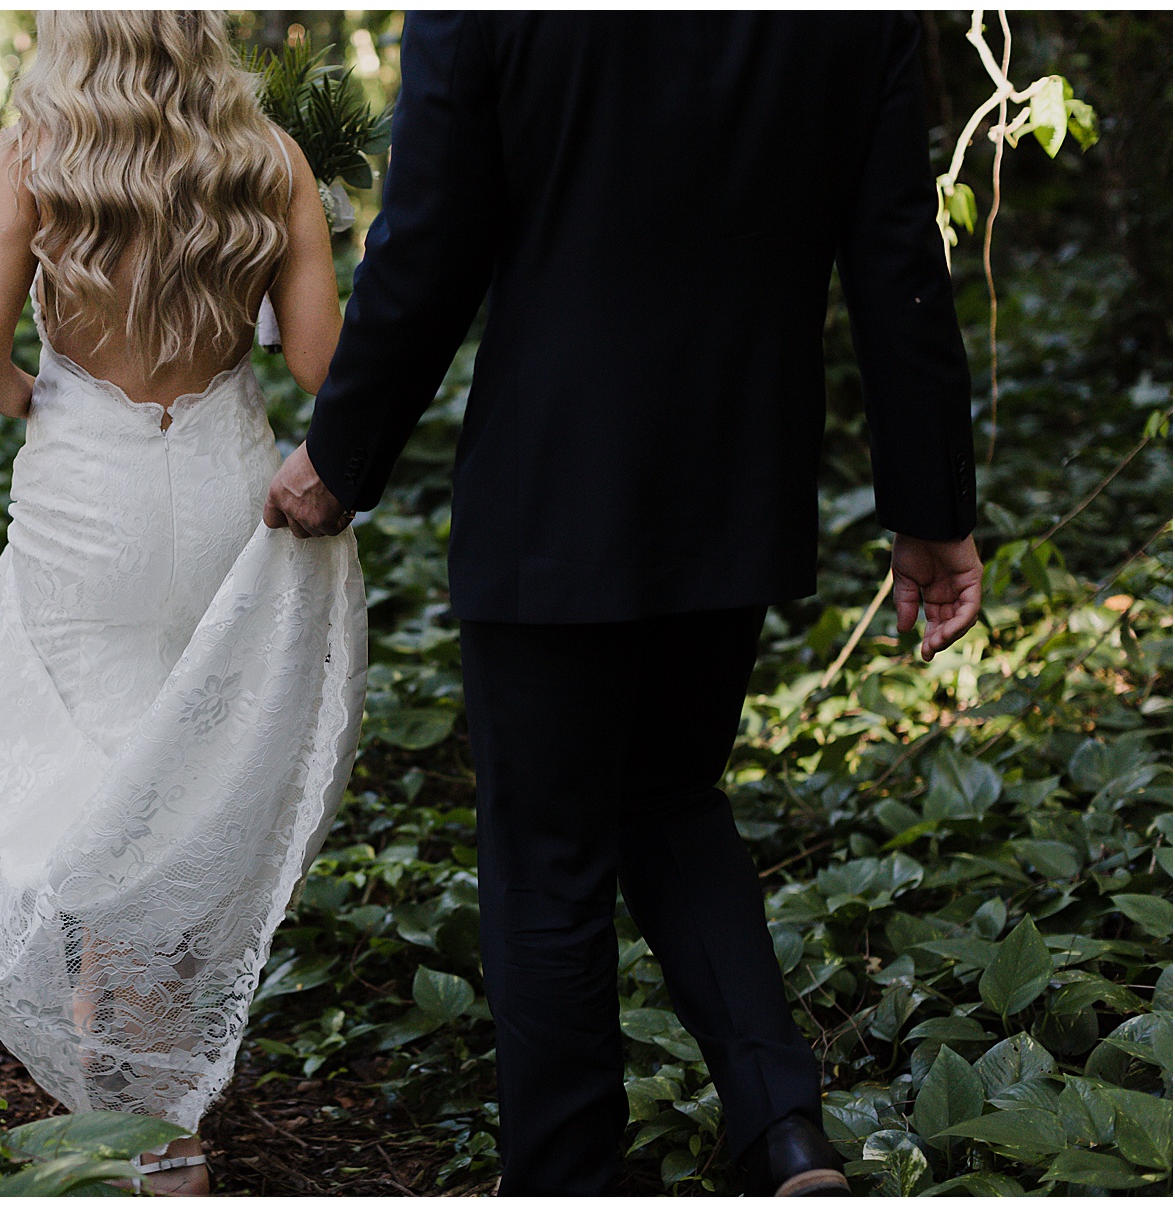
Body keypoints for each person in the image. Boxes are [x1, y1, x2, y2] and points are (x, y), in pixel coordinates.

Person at [265, 12, 983, 1197]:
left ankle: (567, 1177)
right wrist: (932, 505)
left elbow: (431, 237)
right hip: (736, 476)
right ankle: (784, 1132)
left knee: (548, 852)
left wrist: (342, 451)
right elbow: (897, 250)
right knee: (671, 795)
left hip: (555, 481)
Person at [0, 11, 366, 1195]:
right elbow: (323, 370)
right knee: (185, 773)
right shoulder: (270, 159)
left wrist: (56, 408)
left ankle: (133, 1108)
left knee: (93, 771)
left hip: (87, 497)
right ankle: (150, 1088)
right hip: (226, 490)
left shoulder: (35, 151)